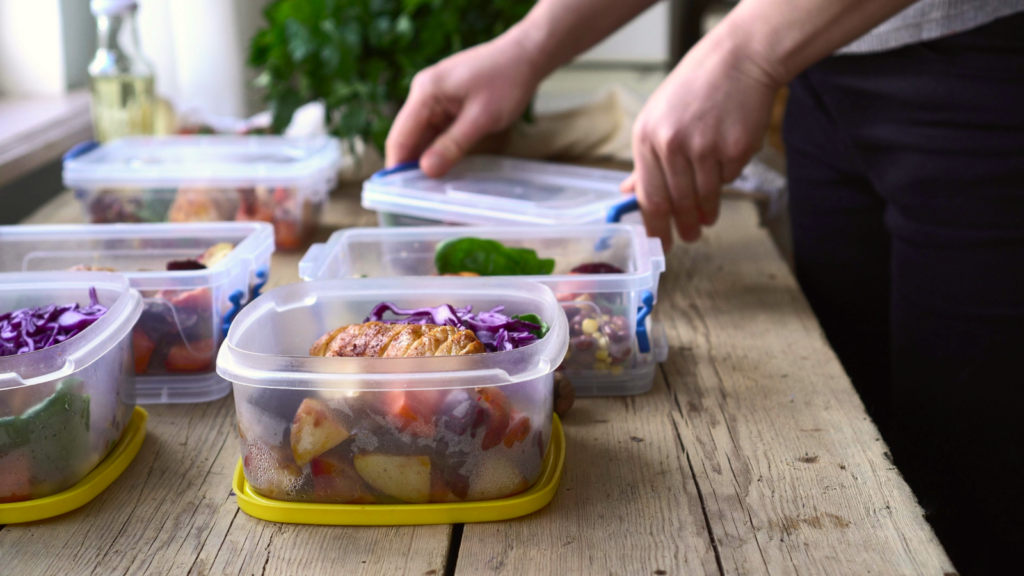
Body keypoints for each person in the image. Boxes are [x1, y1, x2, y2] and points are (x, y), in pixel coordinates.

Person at [384, 0, 1024, 573]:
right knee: (875, 442)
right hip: (821, 67)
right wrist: (528, 47)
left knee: (976, 485)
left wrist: (745, 49)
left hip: (985, 69)